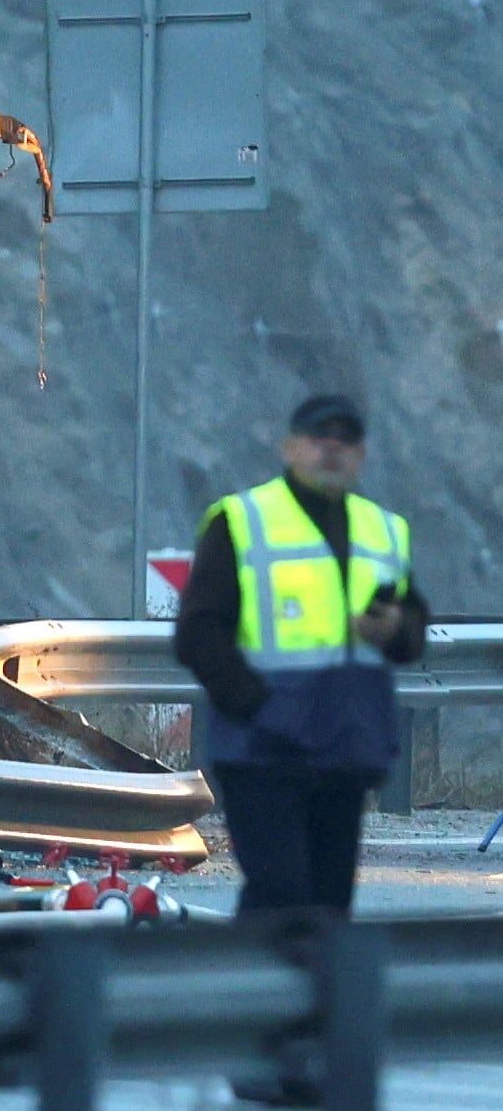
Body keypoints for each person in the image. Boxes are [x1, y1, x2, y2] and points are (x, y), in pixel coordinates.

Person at [176, 393, 427, 919]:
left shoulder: (383, 529)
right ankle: (245, 997)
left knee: (330, 905)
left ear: (362, 455)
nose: (332, 448)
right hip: (263, 753)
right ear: (290, 447)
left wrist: (394, 626)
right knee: (280, 895)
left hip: (344, 751)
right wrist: (260, 707)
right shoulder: (243, 520)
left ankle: (316, 1002)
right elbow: (199, 633)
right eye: (319, 437)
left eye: (347, 439)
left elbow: (413, 630)